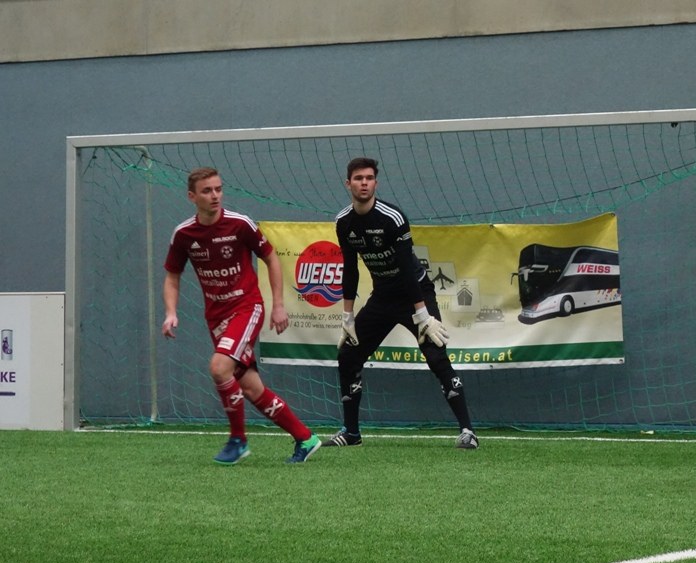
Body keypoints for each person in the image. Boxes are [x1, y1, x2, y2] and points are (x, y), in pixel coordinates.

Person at [162, 167, 322, 465]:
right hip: (216, 318)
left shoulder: (240, 224)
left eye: (218, 189)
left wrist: (278, 305)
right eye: (207, 191)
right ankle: (305, 438)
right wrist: (171, 312)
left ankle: (238, 440)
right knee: (250, 387)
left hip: (247, 308)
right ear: (192, 196)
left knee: (219, 367)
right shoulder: (184, 234)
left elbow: (271, 258)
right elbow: (172, 275)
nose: (215, 195)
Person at [327, 157, 478, 450]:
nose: (364, 183)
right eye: (358, 178)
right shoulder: (343, 222)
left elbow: (408, 269)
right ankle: (351, 433)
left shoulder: (392, 218)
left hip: (415, 293)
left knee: (436, 356)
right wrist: (347, 317)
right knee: (348, 355)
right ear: (348, 183)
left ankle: (468, 431)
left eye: (369, 178)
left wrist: (422, 314)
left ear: (376, 183)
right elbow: (350, 269)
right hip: (382, 297)